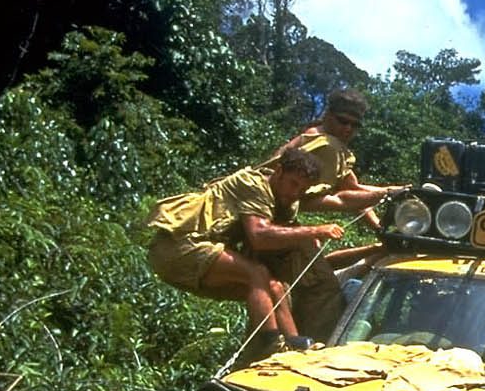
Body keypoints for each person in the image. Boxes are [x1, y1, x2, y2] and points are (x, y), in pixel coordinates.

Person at [146, 148, 348, 358]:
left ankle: (295, 346)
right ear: (279, 172)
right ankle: (272, 343)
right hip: (177, 246)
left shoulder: (283, 202)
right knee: (256, 273)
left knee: (276, 288)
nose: (295, 193)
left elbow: (340, 201)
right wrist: (315, 230)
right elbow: (259, 236)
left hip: (197, 251)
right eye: (293, 184)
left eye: (302, 189)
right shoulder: (253, 184)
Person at [257, 89, 397, 338]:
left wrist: (378, 226)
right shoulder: (326, 146)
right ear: (328, 115)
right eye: (343, 121)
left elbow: (353, 190)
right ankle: (314, 346)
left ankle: (285, 340)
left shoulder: (328, 143)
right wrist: (391, 192)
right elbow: (325, 199)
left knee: (295, 285)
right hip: (268, 221)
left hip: (278, 221)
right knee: (323, 289)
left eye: (355, 125)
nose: (348, 129)